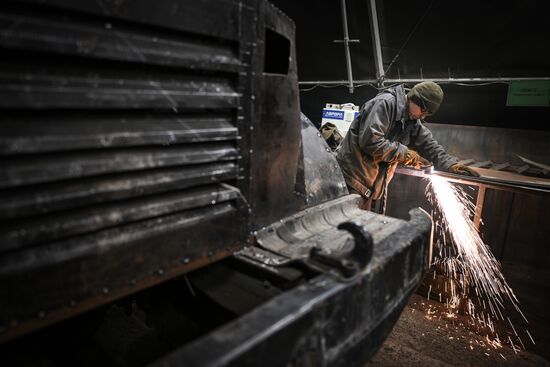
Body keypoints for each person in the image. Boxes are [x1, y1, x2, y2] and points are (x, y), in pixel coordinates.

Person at [335, 81, 479, 213]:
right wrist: (406, 154)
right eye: (423, 111)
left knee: (356, 229)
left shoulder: (411, 120)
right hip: (350, 179)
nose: (423, 117)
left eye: (427, 114)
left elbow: (429, 145)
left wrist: (450, 164)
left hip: (367, 185)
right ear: (415, 99)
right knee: (342, 230)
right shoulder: (384, 104)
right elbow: (370, 141)